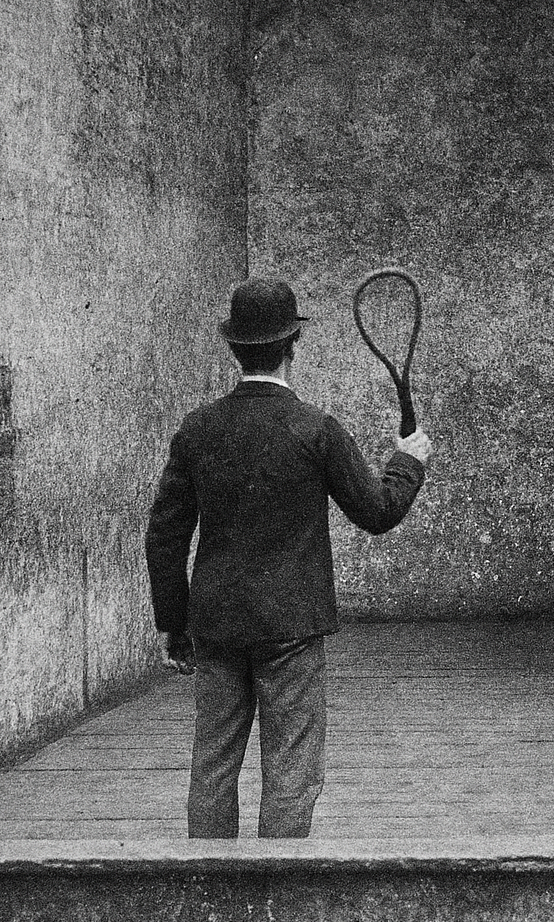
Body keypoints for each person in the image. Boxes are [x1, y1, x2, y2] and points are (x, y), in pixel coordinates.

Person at [146, 276, 433, 837]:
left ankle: (211, 888)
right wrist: (407, 462)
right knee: (291, 769)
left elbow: (164, 534)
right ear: (291, 346)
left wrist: (172, 626)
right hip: (292, 626)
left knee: (212, 763)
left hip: (217, 625)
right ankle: (278, 888)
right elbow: (377, 511)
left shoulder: (198, 429)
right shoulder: (316, 430)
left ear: (234, 347)